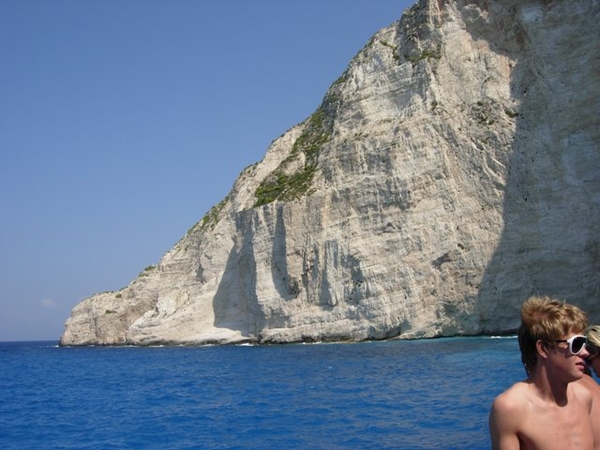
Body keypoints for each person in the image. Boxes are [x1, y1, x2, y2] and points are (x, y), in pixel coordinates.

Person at [489, 295, 595, 449]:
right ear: (543, 348)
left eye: (584, 343)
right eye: (576, 344)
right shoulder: (511, 408)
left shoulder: (584, 397)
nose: (585, 352)